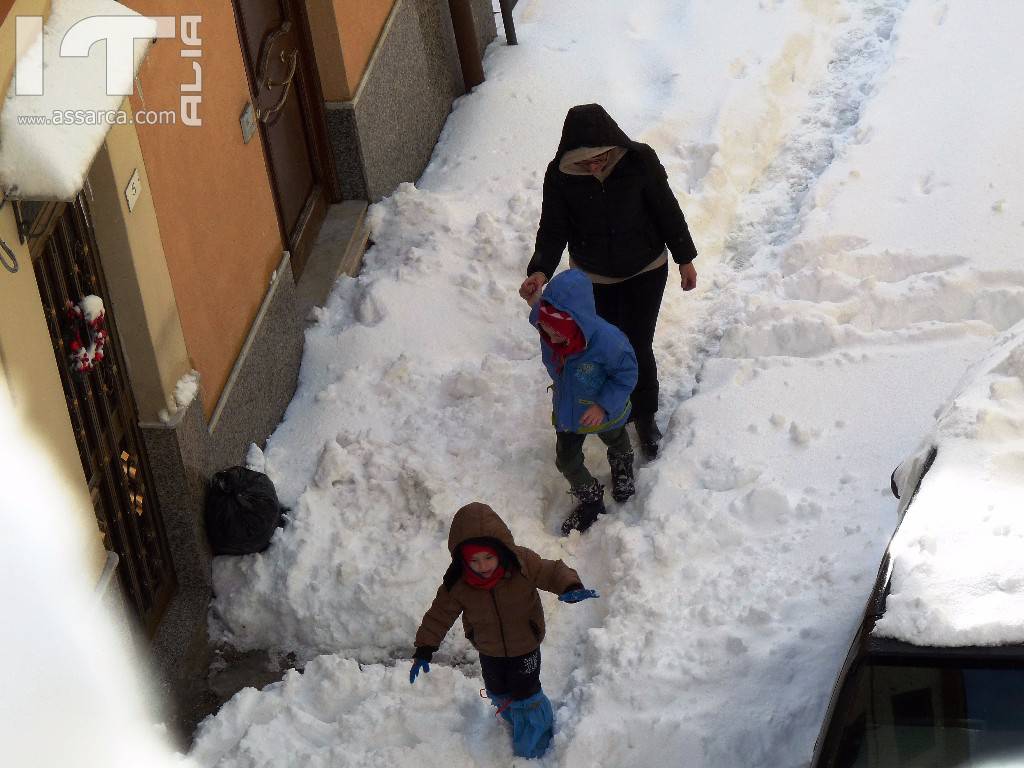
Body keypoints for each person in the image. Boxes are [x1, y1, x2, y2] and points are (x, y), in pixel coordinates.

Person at [519, 103, 699, 459]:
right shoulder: (559, 176)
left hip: (646, 268)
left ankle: (644, 415)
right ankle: (609, 411)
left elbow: (666, 208)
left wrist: (685, 258)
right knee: (601, 346)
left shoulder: (640, 161)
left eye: (600, 157)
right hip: (594, 277)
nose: (594, 166)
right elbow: (554, 228)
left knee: (636, 342)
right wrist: (540, 269)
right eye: (585, 162)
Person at [410, 502, 598, 759]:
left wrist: (569, 586)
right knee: (498, 690)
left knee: (526, 693)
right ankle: (513, 717)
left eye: (488, 557)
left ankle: (535, 742)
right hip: (489, 649)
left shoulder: (521, 564)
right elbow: (439, 614)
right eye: (474, 560)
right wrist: (425, 647)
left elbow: (552, 571)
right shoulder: (458, 582)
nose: (483, 565)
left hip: (525, 645)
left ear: (500, 550)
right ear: (463, 560)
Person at [527, 268, 638, 534]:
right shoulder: (550, 327)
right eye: (546, 333)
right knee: (566, 460)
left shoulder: (608, 342)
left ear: (578, 324)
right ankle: (591, 499)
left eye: (558, 335)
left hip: (603, 410)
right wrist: (535, 303)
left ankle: (622, 464)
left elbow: (627, 374)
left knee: (615, 437)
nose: (551, 340)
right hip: (569, 408)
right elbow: (542, 316)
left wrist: (603, 405)